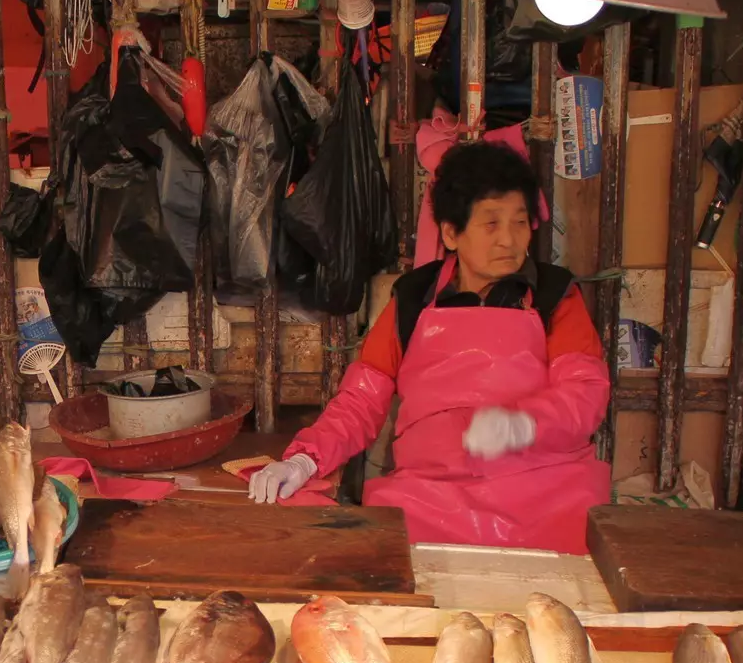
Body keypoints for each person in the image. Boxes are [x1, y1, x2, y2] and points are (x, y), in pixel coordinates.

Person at [249, 141, 610, 553]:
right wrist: (305, 459)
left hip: (546, 488)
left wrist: (525, 424)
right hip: (430, 497)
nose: (509, 240)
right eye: (491, 224)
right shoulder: (414, 297)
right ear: (451, 233)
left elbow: (585, 391)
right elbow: (362, 401)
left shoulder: (553, 293)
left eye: (520, 222)